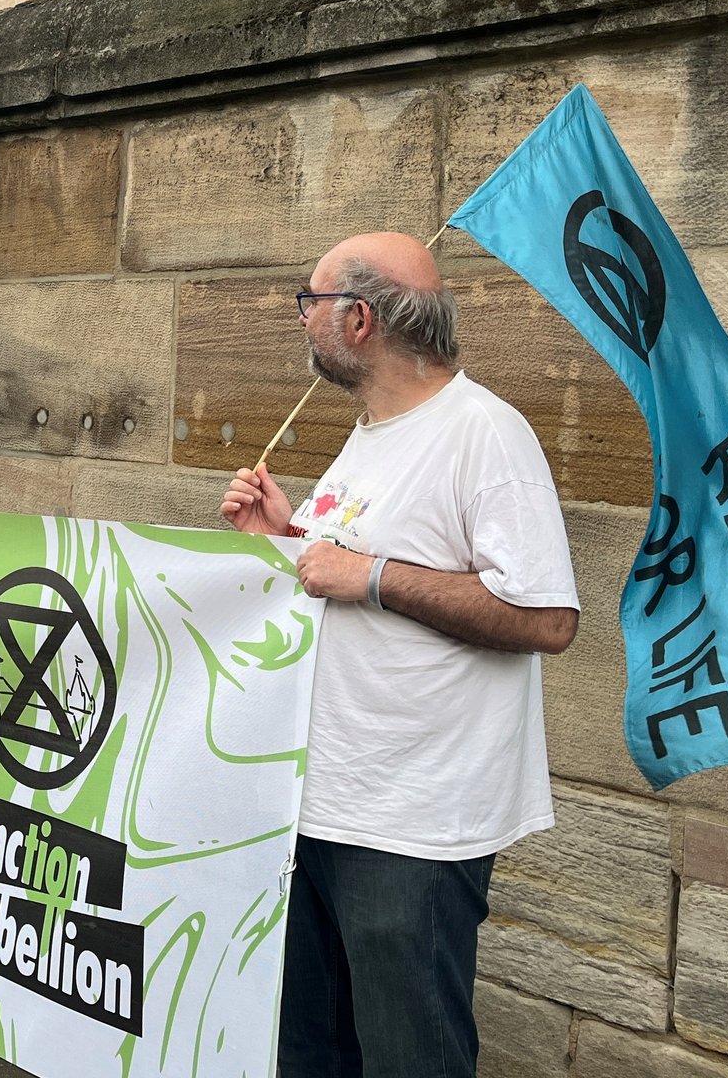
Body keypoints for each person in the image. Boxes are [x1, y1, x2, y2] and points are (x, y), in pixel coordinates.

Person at [219, 232, 579, 1078]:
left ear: (357, 319)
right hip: (317, 803)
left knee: (406, 1059)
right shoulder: (371, 432)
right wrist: (285, 537)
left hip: (413, 827)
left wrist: (371, 576)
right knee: (310, 1051)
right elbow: (339, 577)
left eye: (308, 304)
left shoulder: (486, 433)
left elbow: (547, 618)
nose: (300, 321)